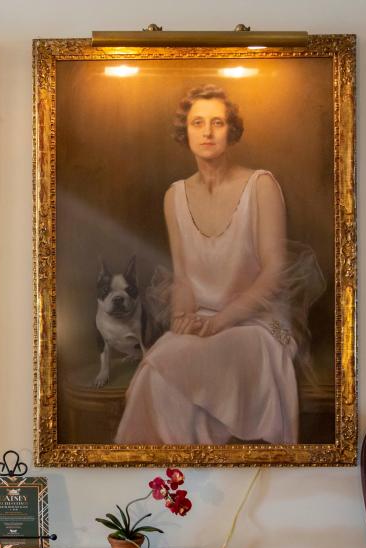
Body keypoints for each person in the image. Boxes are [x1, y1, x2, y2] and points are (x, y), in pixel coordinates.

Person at [115, 85, 323, 446]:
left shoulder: (261, 185)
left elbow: (274, 274)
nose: (208, 132)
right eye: (198, 123)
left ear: (232, 130)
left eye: (217, 122)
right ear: (186, 132)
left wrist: (221, 321)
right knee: (155, 374)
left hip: (256, 325)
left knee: (184, 367)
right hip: (204, 320)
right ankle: (174, 487)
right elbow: (183, 277)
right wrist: (183, 316)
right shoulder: (174, 195)